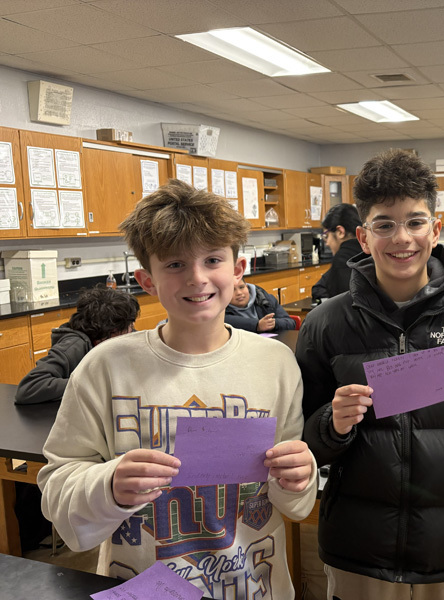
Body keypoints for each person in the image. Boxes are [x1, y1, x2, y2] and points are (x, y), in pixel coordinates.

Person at [37, 179, 316, 600]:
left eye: (213, 259)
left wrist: (300, 476)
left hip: (253, 585)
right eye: (175, 265)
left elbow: (294, 503)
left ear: (238, 270)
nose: (197, 278)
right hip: (137, 586)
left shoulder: (275, 364)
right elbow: (60, 497)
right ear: (146, 280)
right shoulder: (105, 367)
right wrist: (109, 485)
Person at [296, 149, 444, 600]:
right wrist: (331, 424)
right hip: (358, 554)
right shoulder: (325, 325)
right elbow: (302, 444)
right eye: (384, 224)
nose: (401, 238)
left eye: (415, 222)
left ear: (435, 229)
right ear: (363, 237)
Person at [15, 286, 139, 405]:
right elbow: (29, 387)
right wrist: (92, 384)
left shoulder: (116, 338)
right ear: (110, 330)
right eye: (129, 326)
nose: (132, 331)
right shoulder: (74, 345)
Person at [311, 203, 361, 301]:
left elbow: (343, 303)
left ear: (340, 232)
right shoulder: (371, 250)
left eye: (327, 236)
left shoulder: (343, 259)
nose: (327, 243)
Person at [225, 279, 296, 332]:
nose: (239, 293)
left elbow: (290, 323)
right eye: (232, 290)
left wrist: (274, 323)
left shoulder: (266, 299)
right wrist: (257, 325)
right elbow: (225, 321)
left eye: (242, 287)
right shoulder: (219, 309)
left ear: (247, 287)